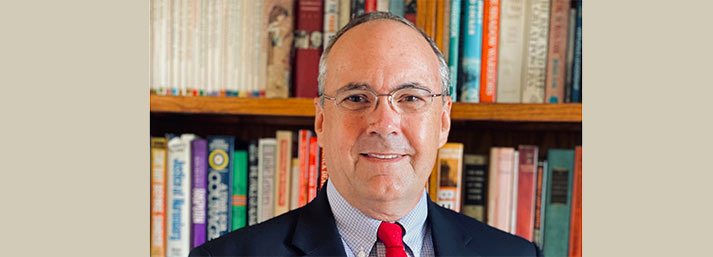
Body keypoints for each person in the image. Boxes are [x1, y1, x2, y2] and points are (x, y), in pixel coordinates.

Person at [189, 12, 537, 257]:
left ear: (443, 121)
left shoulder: (516, 254)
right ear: (322, 121)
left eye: (410, 98)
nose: (384, 124)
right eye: (356, 98)